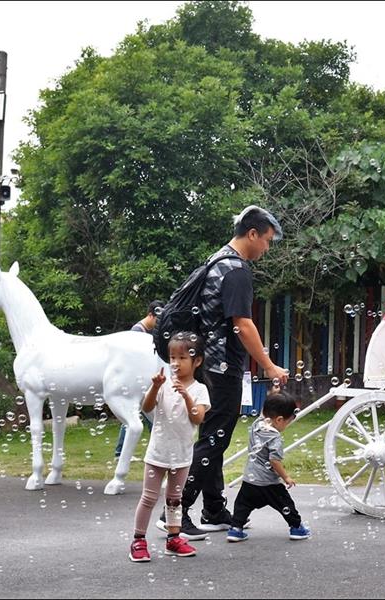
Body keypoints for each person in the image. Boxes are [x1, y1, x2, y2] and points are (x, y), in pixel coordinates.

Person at [158, 206, 290, 539]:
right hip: (223, 367)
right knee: (214, 439)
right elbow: (242, 325)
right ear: (252, 234)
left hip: (208, 364)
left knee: (213, 438)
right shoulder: (236, 270)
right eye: (267, 241)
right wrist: (269, 365)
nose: (267, 248)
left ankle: (214, 509)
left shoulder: (217, 260)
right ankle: (173, 511)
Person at [128, 332, 210, 562]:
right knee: (148, 497)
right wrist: (155, 387)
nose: (176, 362)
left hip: (182, 455)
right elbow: (146, 407)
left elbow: (198, 418)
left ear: (197, 361)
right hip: (158, 452)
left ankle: (173, 539)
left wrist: (186, 396)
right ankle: (138, 540)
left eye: (182, 358)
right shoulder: (163, 384)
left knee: (174, 499)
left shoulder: (200, 389)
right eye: (172, 357)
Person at [226, 391, 311, 542]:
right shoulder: (275, 437)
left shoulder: (257, 424)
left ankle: (236, 529)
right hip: (269, 482)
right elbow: (274, 461)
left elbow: (264, 412)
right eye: (287, 422)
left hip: (250, 479)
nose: (287, 425)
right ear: (279, 420)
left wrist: (272, 395)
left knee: (242, 505)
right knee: (286, 504)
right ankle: (297, 528)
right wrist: (286, 477)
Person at [115, 300, 164, 460]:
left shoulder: (144, 332)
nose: (158, 323)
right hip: (136, 381)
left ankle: (155, 447)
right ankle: (121, 451)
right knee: (135, 416)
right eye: (157, 319)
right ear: (150, 315)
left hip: (140, 381)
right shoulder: (137, 332)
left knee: (140, 415)